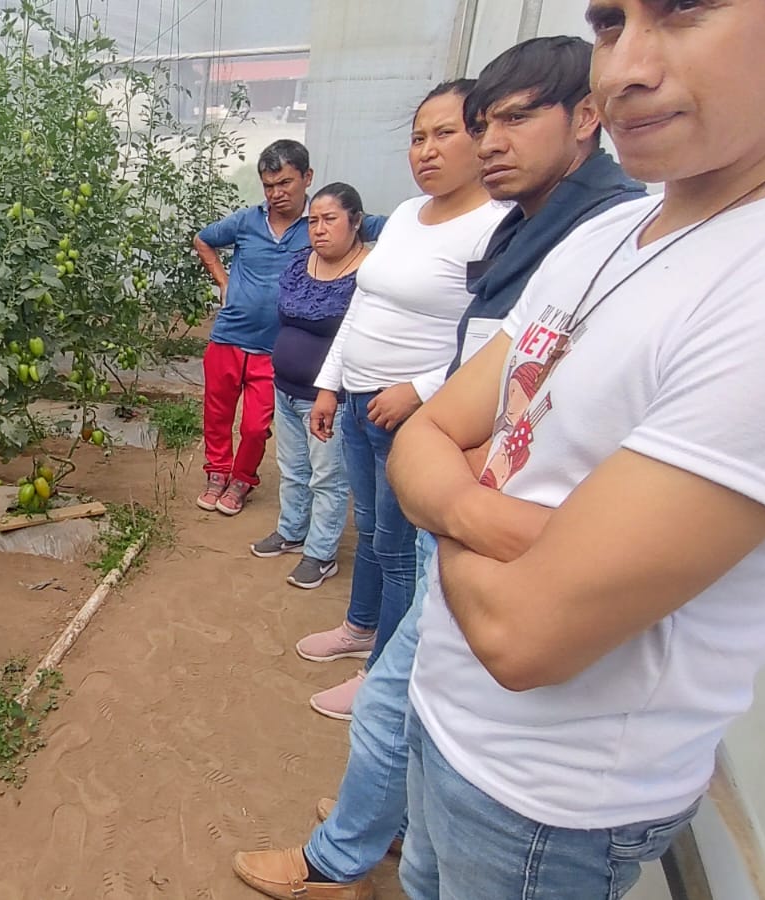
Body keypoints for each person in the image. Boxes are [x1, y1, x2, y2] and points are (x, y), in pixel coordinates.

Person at [231, 35, 646, 900]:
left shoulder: (605, 239)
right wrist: (405, 420)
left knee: (391, 701)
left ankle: (334, 860)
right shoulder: (547, 232)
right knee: (401, 660)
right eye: (477, 123)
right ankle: (386, 825)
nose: (486, 141)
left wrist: (451, 485)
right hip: (440, 483)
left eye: (511, 119)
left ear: (586, 117)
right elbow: (471, 396)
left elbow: (509, 421)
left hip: (504, 581)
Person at [393, 1, 765, 895]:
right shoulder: (606, 234)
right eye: (610, 25)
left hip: (549, 800)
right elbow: (427, 431)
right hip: (446, 712)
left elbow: (527, 636)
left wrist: (443, 492)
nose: (622, 68)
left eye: (683, 11)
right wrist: (508, 525)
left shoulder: (759, 293)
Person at [295, 80, 508, 721]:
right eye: (418, 137)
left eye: (446, 134)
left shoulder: (496, 226)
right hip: (360, 399)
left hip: (415, 418)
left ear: (482, 136)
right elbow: (364, 304)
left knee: (396, 544)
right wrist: (332, 383)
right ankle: (360, 626)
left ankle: (380, 668)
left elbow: (501, 340)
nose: (427, 150)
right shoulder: (411, 215)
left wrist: (418, 390)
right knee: (371, 527)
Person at [192, 141, 385, 516]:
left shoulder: (319, 222)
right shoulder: (246, 221)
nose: (276, 193)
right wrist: (223, 281)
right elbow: (203, 239)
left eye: (285, 183)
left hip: (274, 347)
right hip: (229, 335)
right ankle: (217, 472)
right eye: (268, 185)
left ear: (307, 177)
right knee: (216, 413)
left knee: (254, 426)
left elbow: (390, 227)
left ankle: (242, 479)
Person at [248, 183, 369, 590]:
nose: (318, 229)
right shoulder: (301, 263)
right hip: (284, 387)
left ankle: (321, 554)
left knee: (328, 478)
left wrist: (329, 391)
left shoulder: (368, 272)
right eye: (313, 220)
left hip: (329, 398)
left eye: (329, 219)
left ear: (355, 222)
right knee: (294, 470)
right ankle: (291, 530)